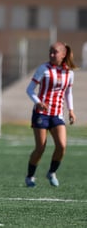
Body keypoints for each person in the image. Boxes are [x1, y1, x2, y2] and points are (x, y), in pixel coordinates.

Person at [25, 41, 76, 187]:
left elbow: (68, 93)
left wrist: (71, 110)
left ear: (63, 54)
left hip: (57, 114)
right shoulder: (44, 69)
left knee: (61, 145)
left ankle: (52, 172)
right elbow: (29, 89)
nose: (52, 55)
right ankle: (30, 176)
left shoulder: (69, 73)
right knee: (40, 148)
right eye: (50, 52)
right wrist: (38, 102)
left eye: (55, 52)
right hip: (41, 114)